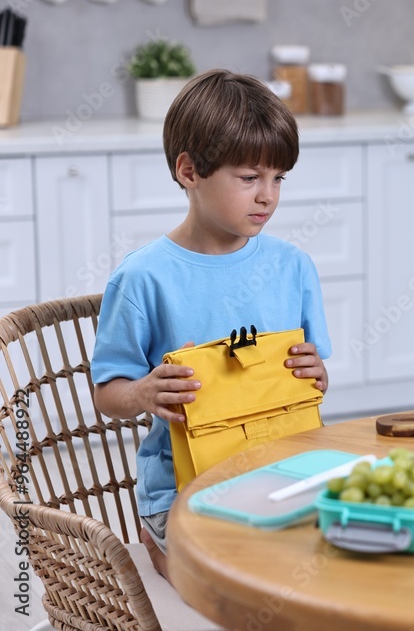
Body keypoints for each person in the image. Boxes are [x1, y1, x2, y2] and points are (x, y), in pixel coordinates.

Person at [92, 69, 331, 581]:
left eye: (278, 178)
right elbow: (107, 395)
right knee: (241, 578)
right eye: (249, 178)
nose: (268, 195)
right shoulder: (142, 279)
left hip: (282, 474)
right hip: (184, 488)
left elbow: (311, 384)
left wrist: (317, 376)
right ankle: (165, 551)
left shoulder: (294, 268)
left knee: (354, 557)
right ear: (189, 171)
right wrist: (143, 393)